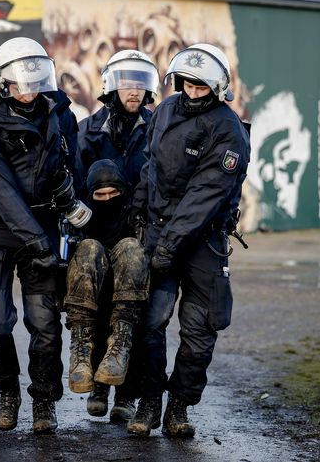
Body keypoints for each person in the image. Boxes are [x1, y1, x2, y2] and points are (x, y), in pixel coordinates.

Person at [0, 37, 87, 434]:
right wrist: (37, 242)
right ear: (1, 83)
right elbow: (0, 191)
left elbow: (73, 164)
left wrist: (72, 199)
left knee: (45, 323)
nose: (29, 91)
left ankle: (44, 401)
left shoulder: (59, 112)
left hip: (45, 225)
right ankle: (7, 391)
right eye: (20, 84)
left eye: (35, 82)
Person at [126, 44, 250, 438]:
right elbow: (150, 165)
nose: (193, 90)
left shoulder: (228, 130)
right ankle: (149, 401)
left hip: (202, 243)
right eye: (187, 83)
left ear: (217, 88)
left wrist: (168, 246)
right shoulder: (164, 110)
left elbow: (205, 195)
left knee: (200, 330)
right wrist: (139, 213)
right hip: (161, 232)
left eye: (201, 85)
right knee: (151, 321)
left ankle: (179, 406)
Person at [65, 50, 158, 422]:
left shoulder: (157, 130)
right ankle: (97, 383)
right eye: (126, 84)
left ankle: (126, 395)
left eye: (139, 84)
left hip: (136, 232)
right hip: (93, 231)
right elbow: (71, 180)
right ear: (111, 87)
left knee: (134, 309)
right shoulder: (88, 131)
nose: (133, 92)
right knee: (97, 302)